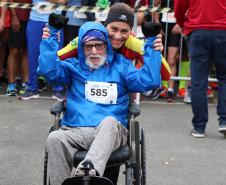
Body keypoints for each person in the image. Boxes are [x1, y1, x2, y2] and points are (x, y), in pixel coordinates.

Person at [39, 17, 161, 185]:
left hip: (110, 131)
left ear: (107, 46)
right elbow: (48, 71)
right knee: (55, 138)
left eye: (99, 45)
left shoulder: (121, 66)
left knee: (109, 122)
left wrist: (152, 45)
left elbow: (150, 80)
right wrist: (51, 37)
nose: (94, 51)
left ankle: (88, 171)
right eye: (89, 46)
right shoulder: (72, 67)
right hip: (75, 130)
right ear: (81, 49)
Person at [56, 3, 171, 83]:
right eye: (114, 29)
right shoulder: (88, 39)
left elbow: (166, 75)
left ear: (130, 32)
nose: (117, 36)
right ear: (105, 26)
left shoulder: (134, 44)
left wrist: (154, 51)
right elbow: (55, 60)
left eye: (124, 31)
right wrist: (49, 36)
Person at [174, 0, 226, 138]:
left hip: (197, 30)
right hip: (223, 29)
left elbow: (179, 6)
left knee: (199, 81)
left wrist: (182, 24)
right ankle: (224, 121)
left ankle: (199, 126)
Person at [18, 0, 66, 101]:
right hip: (35, 20)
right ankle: (32, 88)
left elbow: (63, 1)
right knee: (33, 55)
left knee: (57, 55)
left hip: (55, 21)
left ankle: (58, 89)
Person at [5, 0, 31, 96]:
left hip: (32, 17)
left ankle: (25, 83)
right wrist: (14, 16)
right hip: (17, 17)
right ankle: (11, 84)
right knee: (14, 51)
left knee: (26, 51)